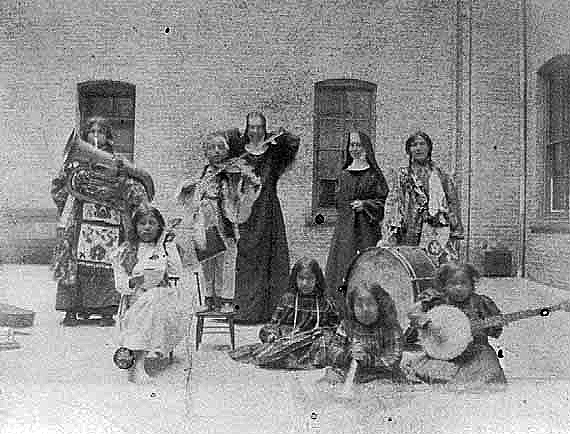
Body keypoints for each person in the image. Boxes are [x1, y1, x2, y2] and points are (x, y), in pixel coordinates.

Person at [51, 117, 152, 327]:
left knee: (109, 263)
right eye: (92, 131)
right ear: (85, 135)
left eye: (101, 132)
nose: (96, 136)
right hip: (80, 218)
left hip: (111, 219)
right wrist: (76, 186)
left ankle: (106, 310)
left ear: (109, 137)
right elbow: (60, 187)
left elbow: (136, 186)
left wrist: (122, 187)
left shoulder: (118, 160)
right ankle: (72, 309)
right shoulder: (75, 161)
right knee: (75, 263)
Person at [231, 111, 300, 324]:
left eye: (260, 127)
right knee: (248, 257)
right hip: (248, 211)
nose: (256, 131)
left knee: (272, 257)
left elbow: (293, 142)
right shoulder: (239, 154)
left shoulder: (273, 152)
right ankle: (247, 312)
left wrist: (278, 135)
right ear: (247, 128)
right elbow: (223, 141)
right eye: (251, 127)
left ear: (264, 128)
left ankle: (272, 312)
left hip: (269, 209)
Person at [112, 206, 191, 384]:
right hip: (135, 302)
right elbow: (120, 284)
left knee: (155, 297)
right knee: (149, 301)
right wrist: (132, 282)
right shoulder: (126, 251)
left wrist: (168, 244)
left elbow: (176, 272)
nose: (147, 228)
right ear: (135, 227)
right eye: (142, 223)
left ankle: (137, 362)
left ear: (159, 227)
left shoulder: (165, 247)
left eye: (152, 223)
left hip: (164, 302)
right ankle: (138, 364)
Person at [179, 130, 252, 313]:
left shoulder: (232, 172)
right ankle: (208, 298)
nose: (217, 151)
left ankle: (226, 300)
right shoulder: (204, 173)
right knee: (206, 262)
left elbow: (237, 198)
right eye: (212, 148)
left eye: (221, 147)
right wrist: (189, 188)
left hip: (224, 221)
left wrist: (240, 180)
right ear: (206, 152)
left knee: (226, 263)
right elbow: (191, 198)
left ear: (227, 151)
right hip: (205, 222)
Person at [404, 262, 506, 385]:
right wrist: (427, 323)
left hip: (475, 352)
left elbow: (495, 331)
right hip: (442, 352)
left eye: (464, 283)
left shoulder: (480, 302)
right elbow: (412, 312)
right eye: (453, 283)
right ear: (444, 285)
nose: (458, 288)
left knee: (488, 374)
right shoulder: (438, 300)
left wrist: (490, 325)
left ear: (472, 284)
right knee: (432, 373)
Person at [229, 257, 339, 369]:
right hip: (289, 342)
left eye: (310, 279)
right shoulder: (288, 300)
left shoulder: (324, 302)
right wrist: (272, 335)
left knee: (326, 349)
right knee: (269, 352)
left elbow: (335, 327)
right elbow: (273, 324)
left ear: (317, 279)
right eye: (301, 278)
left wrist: (323, 333)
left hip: (312, 344)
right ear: (295, 279)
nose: (305, 283)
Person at [324, 131, 389, 314]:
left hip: (366, 232)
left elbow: (384, 202)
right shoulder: (344, 174)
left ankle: (367, 311)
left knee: (366, 268)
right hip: (345, 233)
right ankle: (342, 310)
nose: (355, 149)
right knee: (342, 268)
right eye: (352, 145)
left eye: (358, 145)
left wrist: (366, 205)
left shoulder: (374, 175)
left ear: (366, 147)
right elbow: (338, 203)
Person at [382, 131, 463, 264]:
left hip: (436, 229)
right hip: (409, 229)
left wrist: (455, 230)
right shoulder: (402, 175)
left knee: (436, 265)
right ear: (409, 150)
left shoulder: (441, 175)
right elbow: (393, 202)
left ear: (429, 148)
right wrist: (391, 230)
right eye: (414, 145)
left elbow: (452, 202)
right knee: (411, 265)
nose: (418, 148)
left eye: (422, 144)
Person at [318, 282, 404, 384]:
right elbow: (333, 349)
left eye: (370, 304)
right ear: (352, 308)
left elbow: (393, 359)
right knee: (330, 380)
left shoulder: (390, 328)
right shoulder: (347, 325)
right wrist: (348, 354)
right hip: (349, 372)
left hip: (381, 374)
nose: (365, 309)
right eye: (359, 305)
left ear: (380, 305)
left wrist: (367, 359)